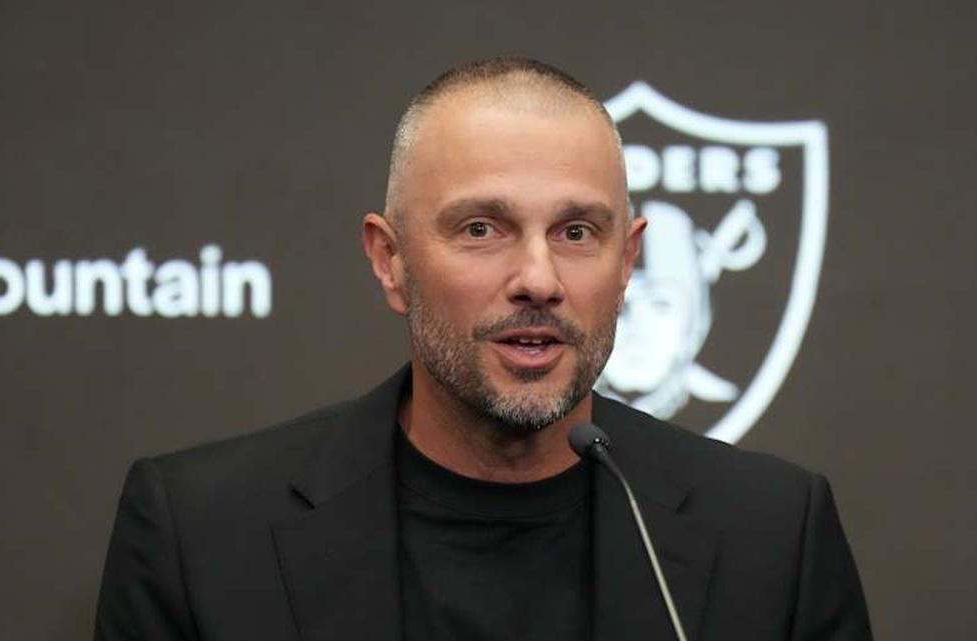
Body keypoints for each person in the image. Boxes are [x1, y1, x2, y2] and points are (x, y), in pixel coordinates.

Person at [95, 57, 871, 641]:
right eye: (481, 229)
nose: (538, 278)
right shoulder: (201, 534)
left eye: (576, 232)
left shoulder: (773, 538)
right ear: (390, 260)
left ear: (627, 261)